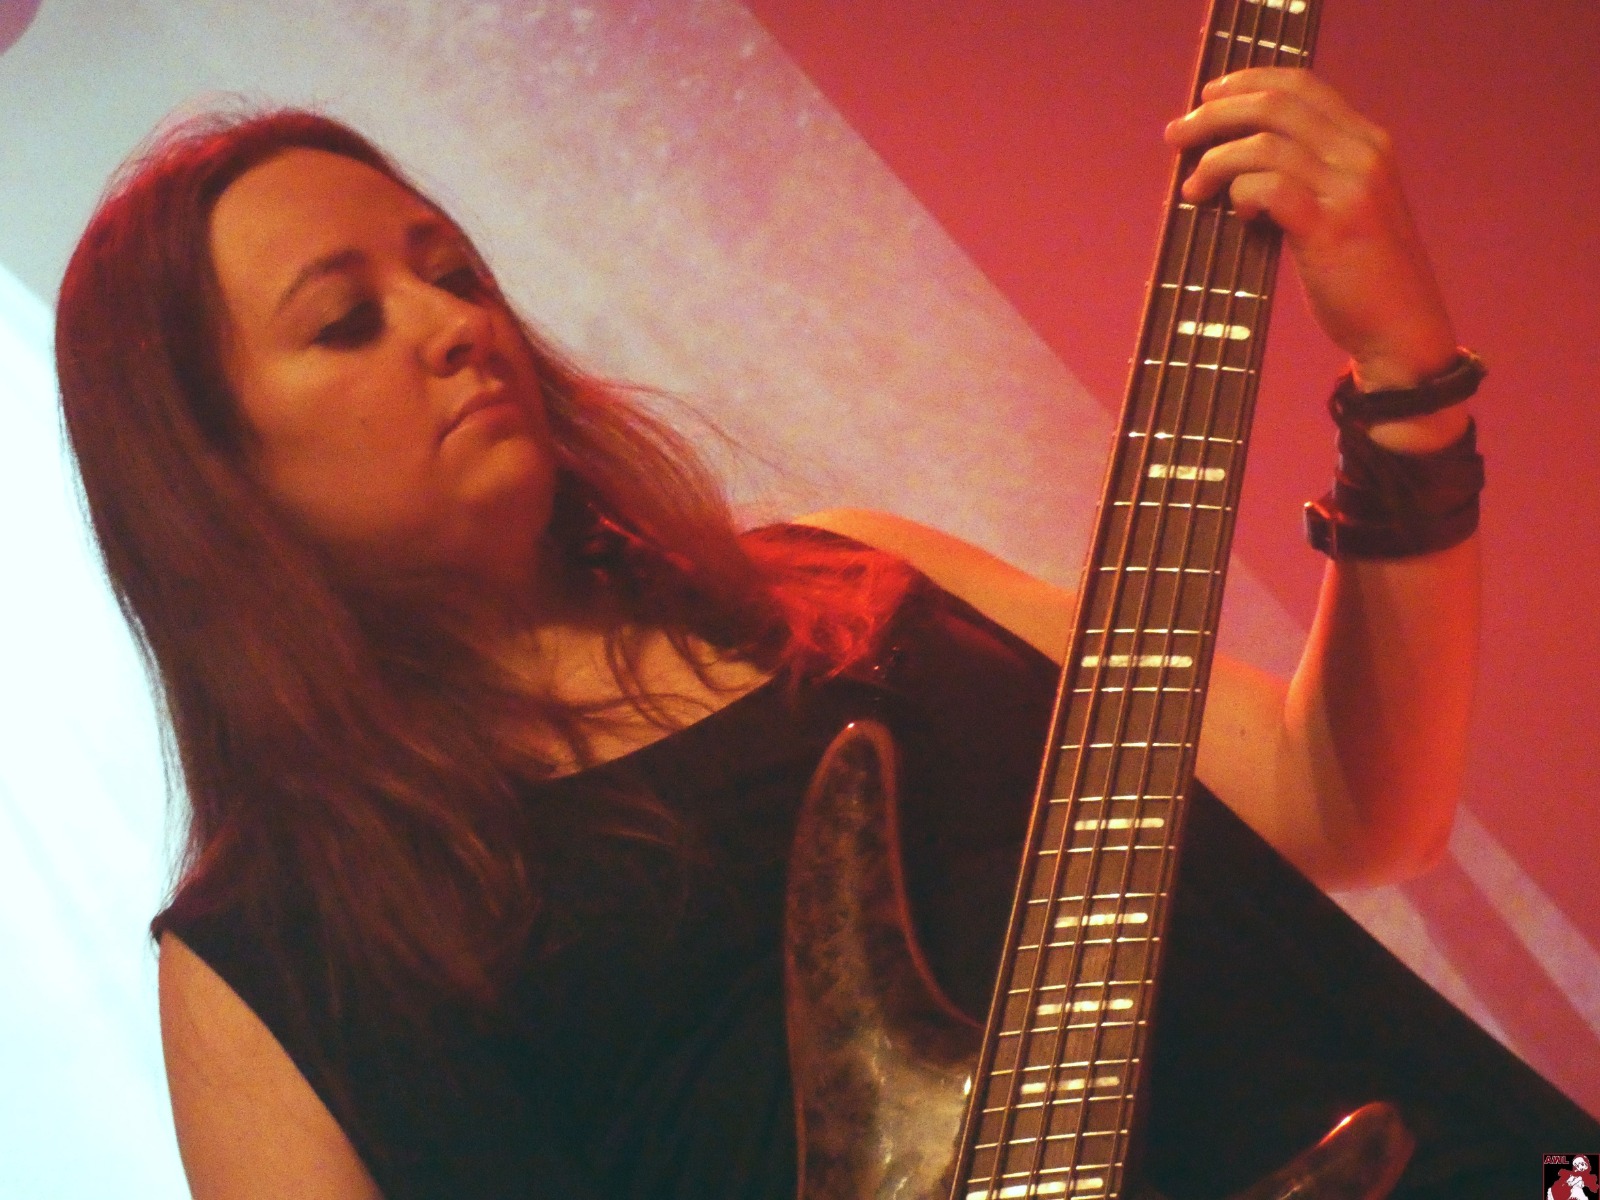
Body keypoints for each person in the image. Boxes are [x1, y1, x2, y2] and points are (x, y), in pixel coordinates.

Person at [54, 68, 1593, 1199]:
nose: (455, 322)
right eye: (347, 320)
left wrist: (1406, 380)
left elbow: (1351, 801)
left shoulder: (858, 581)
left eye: (451, 271)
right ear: (210, 476)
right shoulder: (285, 953)